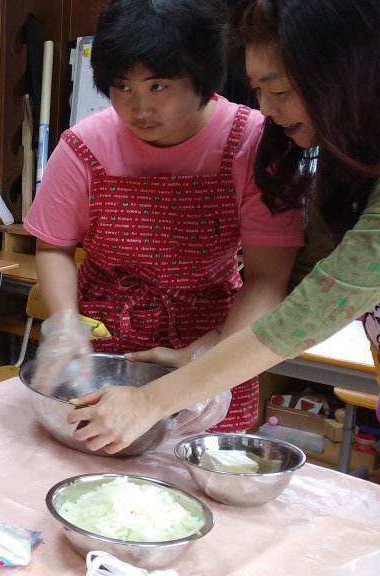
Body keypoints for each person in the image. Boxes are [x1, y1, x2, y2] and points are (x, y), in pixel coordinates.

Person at [68, 0, 380, 453]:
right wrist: (208, 350)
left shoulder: (244, 142)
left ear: (353, 72)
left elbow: (308, 312)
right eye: (258, 90)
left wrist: (151, 401)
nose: (268, 109)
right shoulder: (348, 165)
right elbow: (300, 280)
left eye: (281, 89)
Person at [22, 0, 303, 434]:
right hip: (105, 348)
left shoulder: (254, 143)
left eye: (158, 86)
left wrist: (214, 360)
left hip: (216, 338)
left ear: (203, 78)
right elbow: (54, 247)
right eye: (122, 87)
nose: (139, 109)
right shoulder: (84, 145)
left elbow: (267, 276)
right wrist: (64, 324)